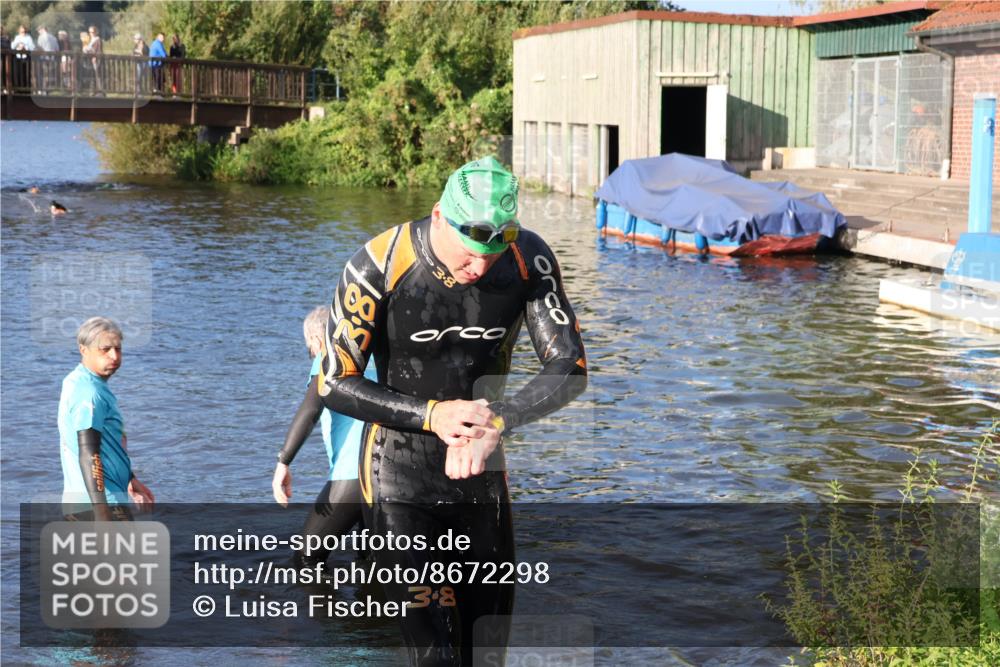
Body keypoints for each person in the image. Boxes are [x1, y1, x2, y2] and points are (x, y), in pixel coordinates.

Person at [319, 156, 587, 665]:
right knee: (436, 656)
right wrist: (432, 414)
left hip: (482, 474)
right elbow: (334, 381)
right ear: (440, 216)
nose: (481, 268)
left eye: (495, 251)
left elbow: (570, 365)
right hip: (399, 478)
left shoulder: (529, 258)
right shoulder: (379, 262)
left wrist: (500, 420)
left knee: (485, 654)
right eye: (470, 253)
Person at [271, 306, 377, 567]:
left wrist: (283, 462)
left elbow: (310, 411)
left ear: (317, 340)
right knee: (372, 559)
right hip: (390, 469)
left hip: (353, 473)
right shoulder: (375, 358)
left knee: (306, 560)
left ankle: (324, 607)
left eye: (310, 348)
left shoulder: (328, 357)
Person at [58, 317, 155, 521]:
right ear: (84, 350)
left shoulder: (80, 381)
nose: (114, 356)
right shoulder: (89, 393)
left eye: (118, 349)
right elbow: (88, 452)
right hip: (99, 506)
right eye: (105, 349)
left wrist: (130, 480)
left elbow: (106, 445)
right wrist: (102, 514)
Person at [35, 27, 58, 92]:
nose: (38, 32)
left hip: (43, 58)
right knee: (49, 74)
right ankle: (49, 89)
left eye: (39, 30)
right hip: (52, 59)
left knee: (42, 74)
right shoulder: (53, 37)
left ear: (43, 29)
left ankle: (42, 89)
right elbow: (57, 49)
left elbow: (39, 48)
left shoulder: (41, 37)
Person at [86, 25, 102, 94]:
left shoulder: (97, 39)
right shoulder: (90, 40)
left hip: (95, 59)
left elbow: (98, 50)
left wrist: (95, 56)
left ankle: (99, 90)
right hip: (90, 60)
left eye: (92, 32)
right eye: (89, 32)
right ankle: (93, 90)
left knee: (97, 74)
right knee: (92, 75)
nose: (91, 33)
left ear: (96, 32)